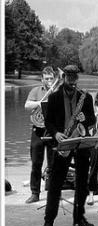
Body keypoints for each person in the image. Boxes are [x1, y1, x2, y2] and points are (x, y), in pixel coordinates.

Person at [41, 65, 96, 226]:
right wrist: (56, 134)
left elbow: (92, 119)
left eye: (74, 78)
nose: (72, 81)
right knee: (55, 183)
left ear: (77, 78)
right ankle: (49, 220)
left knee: (82, 183)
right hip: (62, 142)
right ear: (64, 77)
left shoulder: (85, 98)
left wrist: (84, 119)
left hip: (80, 141)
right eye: (69, 77)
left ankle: (79, 218)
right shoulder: (54, 97)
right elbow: (48, 121)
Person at [24, 66, 57, 204]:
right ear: (42, 79)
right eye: (47, 78)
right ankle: (35, 193)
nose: (49, 81)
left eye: (51, 78)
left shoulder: (58, 91)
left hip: (52, 131)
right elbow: (27, 106)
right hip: (37, 130)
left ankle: (52, 191)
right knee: (36, 163)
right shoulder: (36, 91)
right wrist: (39, 103)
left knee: (53, 164)